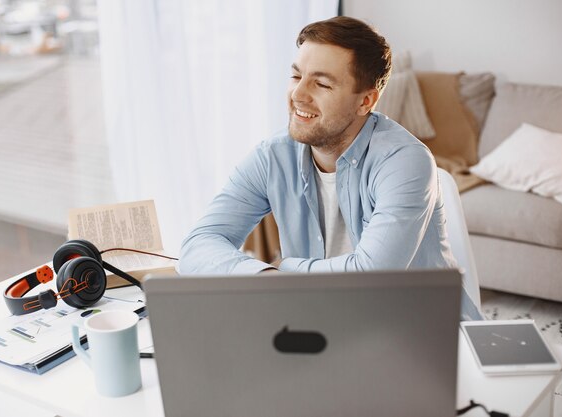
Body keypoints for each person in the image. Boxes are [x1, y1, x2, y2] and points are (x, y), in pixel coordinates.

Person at [179, 16, 481, 320]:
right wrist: (268, 278)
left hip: (418, 328)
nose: (299, 95)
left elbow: (370, 277)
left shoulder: (404, 161)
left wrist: (286, 267)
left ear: (365, 101)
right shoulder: (272, 157)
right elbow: (198, 246)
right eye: (296, 77)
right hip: (326, 322)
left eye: (321, 83)